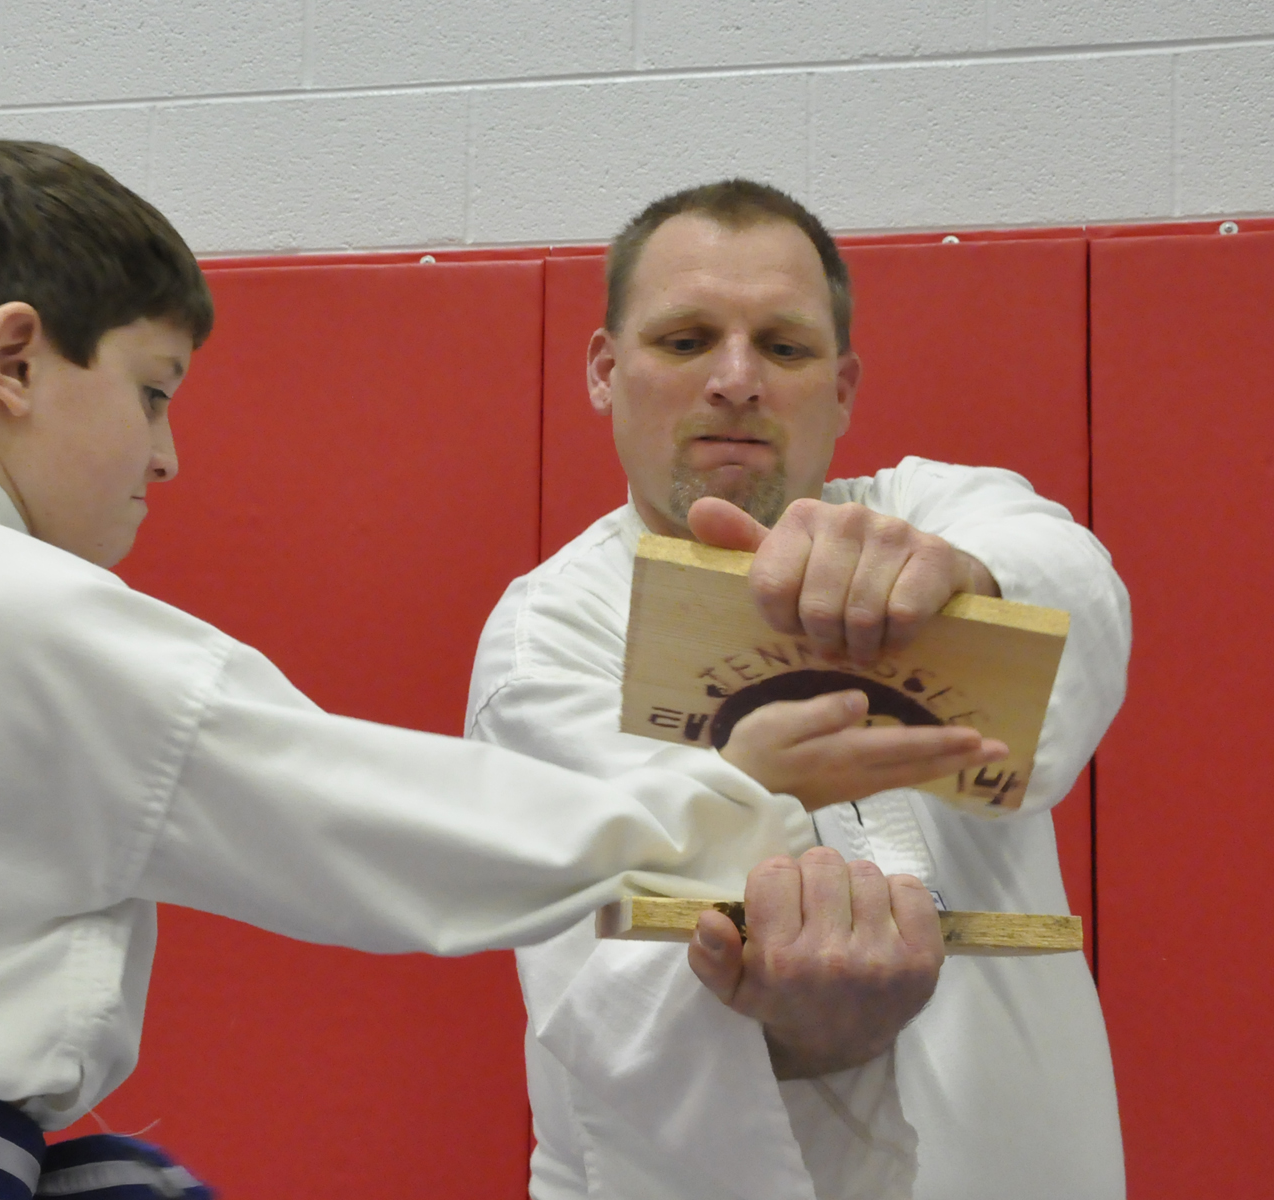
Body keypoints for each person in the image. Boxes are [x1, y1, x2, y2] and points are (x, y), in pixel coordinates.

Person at [0, 145, 998, 1200]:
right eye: (149, 392)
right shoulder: (62, 626)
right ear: (13, 362)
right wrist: (728, 795)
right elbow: (404, 836)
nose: (166, 452)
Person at [464, 180, 1129, 1200]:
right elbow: (604, 994)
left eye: (783, 347)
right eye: (686, 341)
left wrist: (959, 577)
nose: (737, 380)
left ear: (844, 385)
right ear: (605, 370)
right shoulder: (553, 632)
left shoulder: (931, 513)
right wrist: (803, 1030)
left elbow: (1073, 578)